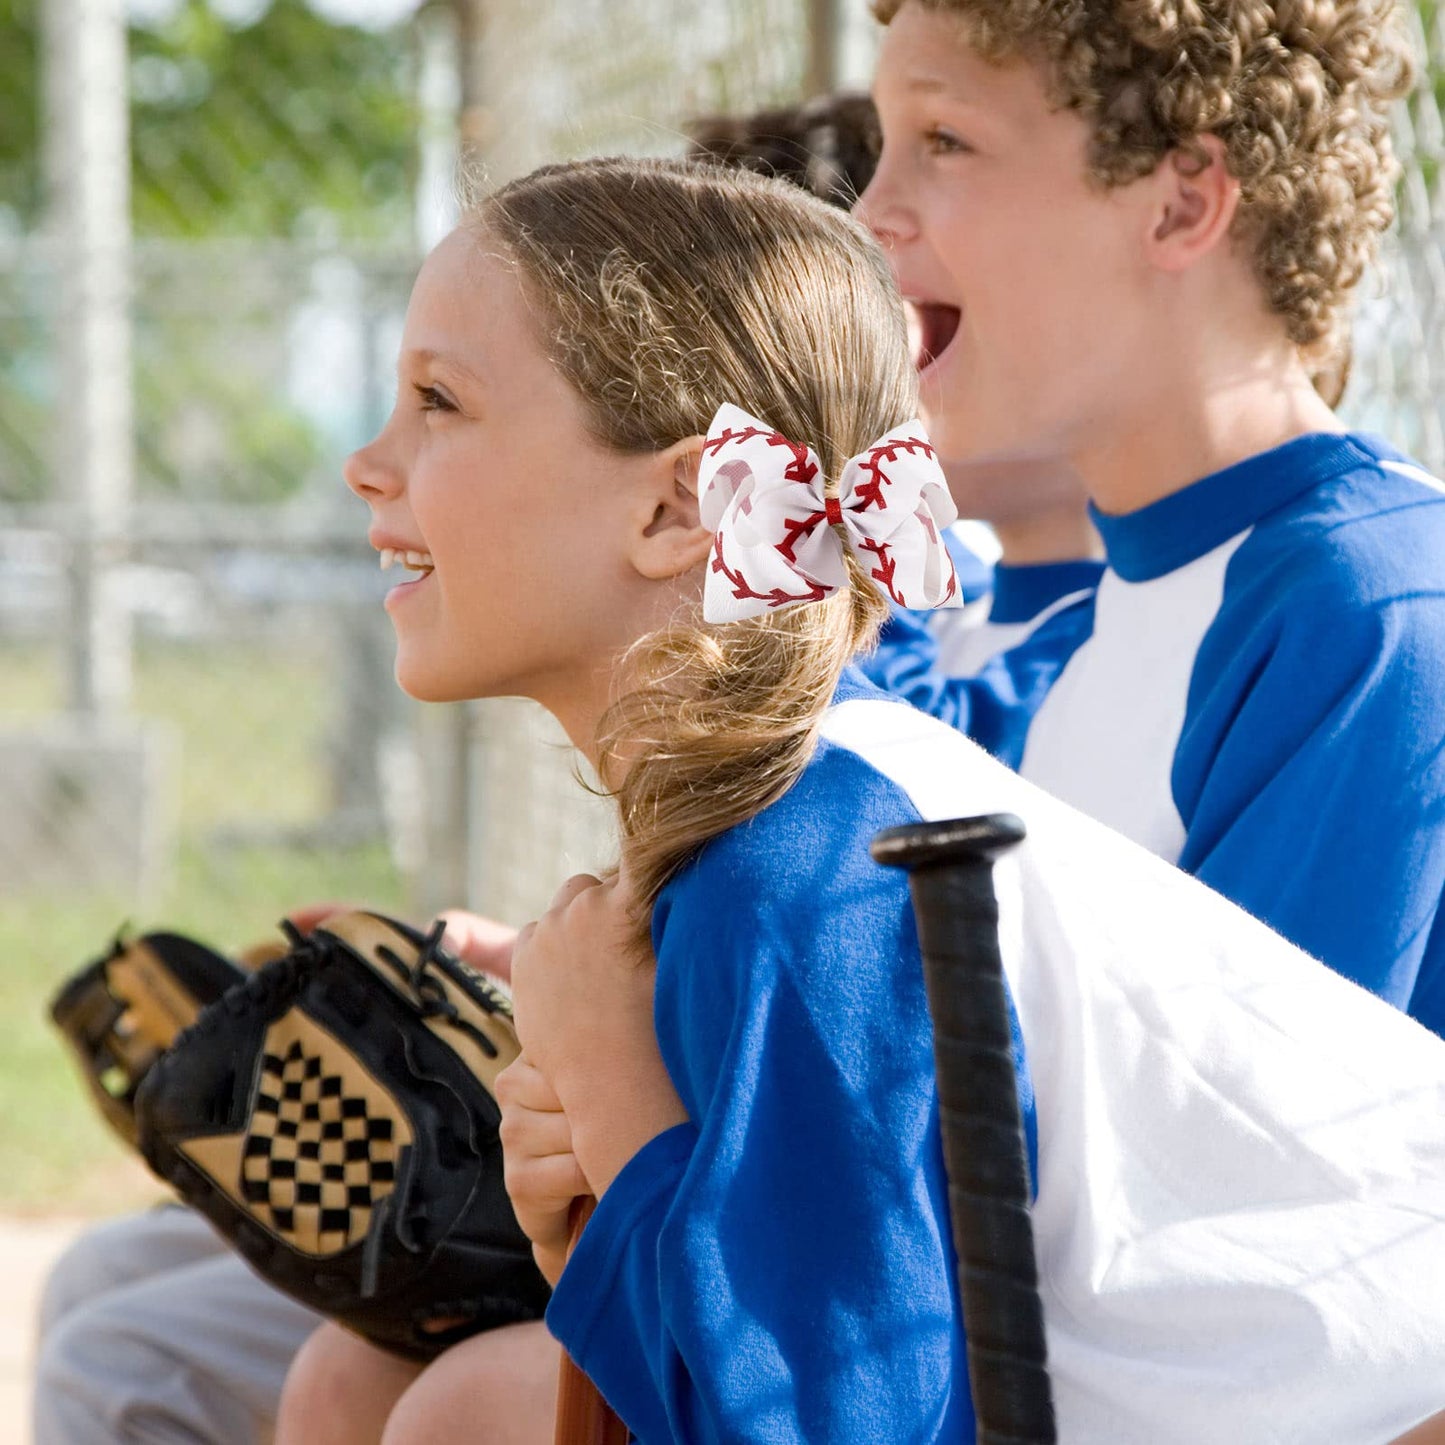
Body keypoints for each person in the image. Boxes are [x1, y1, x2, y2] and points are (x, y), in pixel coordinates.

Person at [273, 154, 1445, 1445]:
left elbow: (840, 1425)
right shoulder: (795, 809)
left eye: (438, 400)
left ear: (676, 504)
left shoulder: (806, 860)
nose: (367, 466)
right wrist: (604, 1207)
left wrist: (621, 1108)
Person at [853, 0, 1445, 1035]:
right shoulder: (1123, 609)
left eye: (943, 141)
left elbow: (1237, 1169)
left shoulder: (1365, 605)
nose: (869, 212)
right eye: (882, 146)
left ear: (1178, 207)